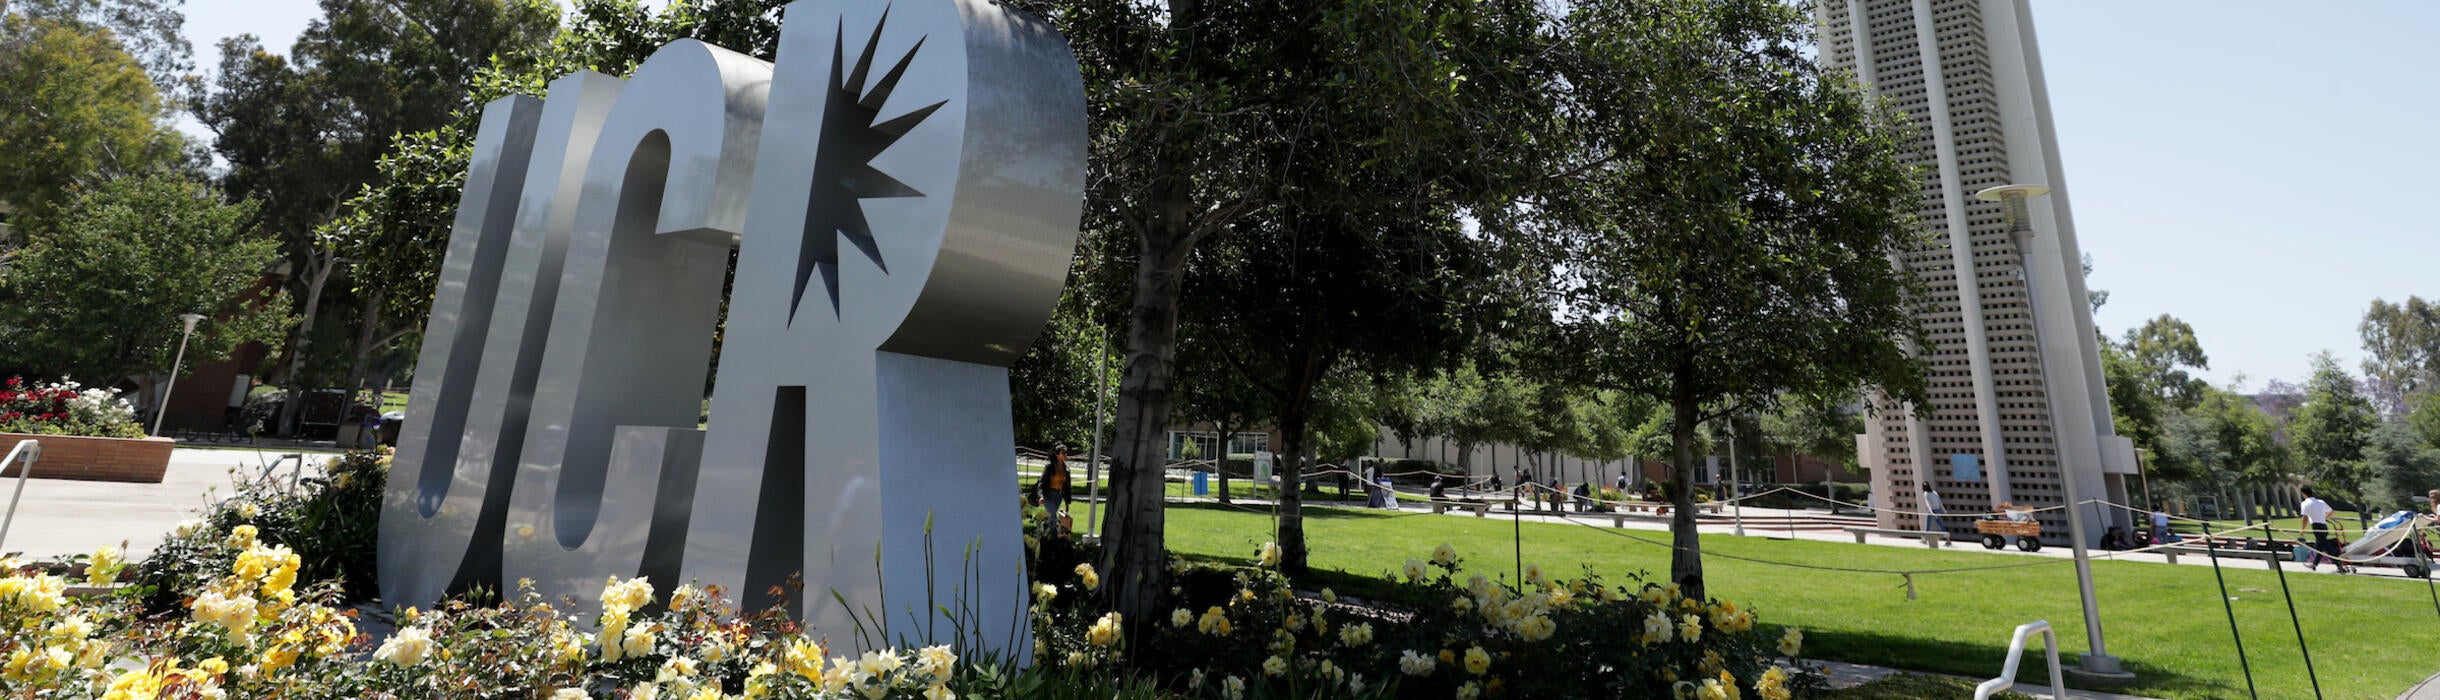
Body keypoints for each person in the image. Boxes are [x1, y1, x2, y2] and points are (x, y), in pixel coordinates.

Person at [2300, 485, 2337, 569]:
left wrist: (2302, 530)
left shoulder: (2305, 503)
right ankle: (2314, 564)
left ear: (2304, 494)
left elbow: (2305, 518)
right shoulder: (2321, 502)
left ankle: (2339, 564)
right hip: (2324, 526)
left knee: (2327, 548)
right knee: (2319, 547)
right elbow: (2331, 512)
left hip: (2316, 527)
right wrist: (2324, 518)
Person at [1044, 444, 1072, 514]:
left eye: (1066, 453)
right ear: (1057, 455)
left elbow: (1067, 487)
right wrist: (1041, 496)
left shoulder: (1066, 469)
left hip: (1059, 495)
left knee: (1051, 516)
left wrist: (1067, 503)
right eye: (1063, 453)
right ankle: (1054, 524)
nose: (1065, 454)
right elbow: (1042, 482)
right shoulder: (1050, 467)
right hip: (1048, 495)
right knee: (1052, 515)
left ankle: (1044, 524)